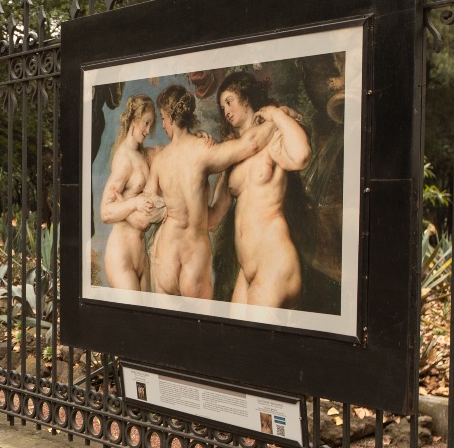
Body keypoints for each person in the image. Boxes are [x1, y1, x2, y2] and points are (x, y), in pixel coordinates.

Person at [143, 85, 267, 300]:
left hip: (166, 253)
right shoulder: (203, 149)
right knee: (199, 327)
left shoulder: (160, 160)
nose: (162, 125)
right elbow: (251, 144)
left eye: (163, 118)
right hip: (193, 253)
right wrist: (277, 117)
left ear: (172, 117)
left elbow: (146, 207)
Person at [211, 71, 312, 307]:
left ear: (246, 99)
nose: (226, 110)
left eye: (229, 101)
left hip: (273, 259)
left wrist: (277, 113)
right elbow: (213, 218)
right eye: (222, 106)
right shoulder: (232, 156)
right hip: (246, 270)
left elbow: (301, 156)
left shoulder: (272, 137)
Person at [99, 94, 163, 290]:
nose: (147, 131)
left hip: (141, 257)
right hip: (122, 257)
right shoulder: (124, 159)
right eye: (145, 123)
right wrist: (134, 203)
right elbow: (105, 212)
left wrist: (199, 137)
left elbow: (173, 150)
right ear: (134, 120)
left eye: (150, 125)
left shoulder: (142, 154)